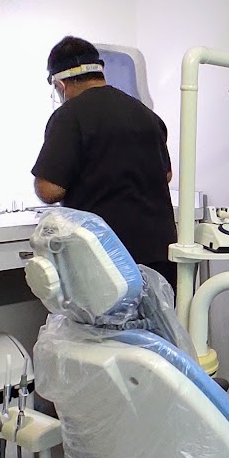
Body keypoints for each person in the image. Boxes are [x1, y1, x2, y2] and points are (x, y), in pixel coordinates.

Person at [32, 35, 177, 289]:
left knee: (110, 318)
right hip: (160, 252)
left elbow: (48, 190)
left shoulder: (69, 116)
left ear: (61, 84)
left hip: (108, 258)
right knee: (157, 315)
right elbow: (166, 175)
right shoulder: (146, 114)